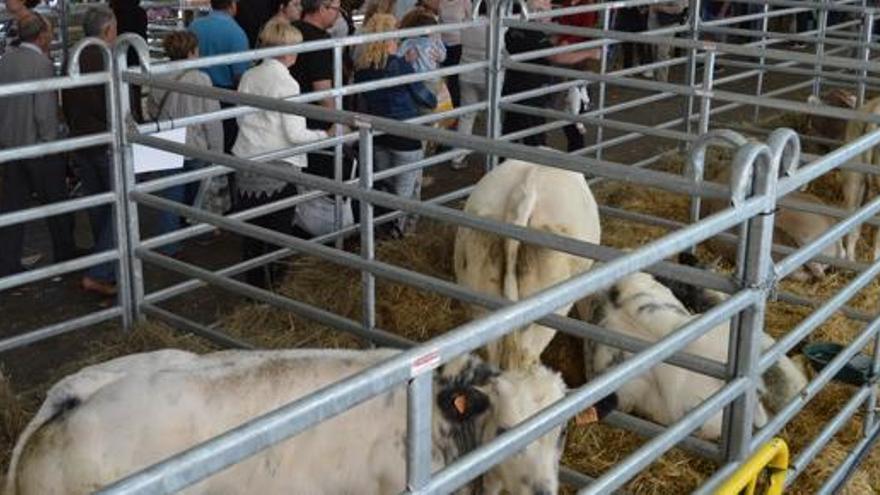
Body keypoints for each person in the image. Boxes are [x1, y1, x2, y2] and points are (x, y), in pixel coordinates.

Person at [233, 18, 331, 288]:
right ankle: (276, 289)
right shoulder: (287, 84)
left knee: (251, 233)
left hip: (248, 161)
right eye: (296, 48)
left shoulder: (249, 76)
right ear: (287, 51)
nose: (297, 53)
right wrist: (327, 135)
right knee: (279, 232)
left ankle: (253, 290)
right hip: (278, 166)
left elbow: (241, 119)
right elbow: (295, 135)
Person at [0, 13, 77, 278]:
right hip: (38, 146)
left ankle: (7, 261)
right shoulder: (41, 64)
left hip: (10, 145)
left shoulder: (6, 59)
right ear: (42, 35)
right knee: (56, 202)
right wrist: (52, 143)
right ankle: (65, 254)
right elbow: (44, 112)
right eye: (50, 32)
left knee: (12, 207)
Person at [354, 13, 436, 237]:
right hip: (404, 135)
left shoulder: (362, 69)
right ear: (391, 38)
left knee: (385, 184)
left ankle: (383, 231)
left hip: (378, 133)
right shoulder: (400, 66)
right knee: (405, 190)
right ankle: (400, 236)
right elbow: (424, 97)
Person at [146, 31, 226, 256]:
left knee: (171, 193)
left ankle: (170, 242)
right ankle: (199, 231)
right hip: (195, 143)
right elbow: (212, 119)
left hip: (166, 140)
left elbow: (152, 109)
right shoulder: (201, 79)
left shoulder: (157, 75)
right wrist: (217, 150)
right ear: (192, 51)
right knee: (198, 190)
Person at [63, 6, 119, 296]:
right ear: (107, 30)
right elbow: (112, 102)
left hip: (80, 140)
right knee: (119, 207)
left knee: (98, 206)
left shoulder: (72, 55)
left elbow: (66, 99)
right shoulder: (107, 57)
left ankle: (107, 268)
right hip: (104, 140)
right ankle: (101, 271)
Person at [501, 0, 599, 146]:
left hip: (513, 86)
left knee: (511, 128)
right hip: (532, 91)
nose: (552, 11)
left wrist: (560, 39)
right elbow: (556, 56)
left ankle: (504, 162)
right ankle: (536, 163)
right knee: (535, 135)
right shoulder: (535, 34)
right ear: (538, 12)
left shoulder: (513, 29)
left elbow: (546, 45)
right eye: (548, 7)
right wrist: (590, 53)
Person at [290, 0, 343, 181]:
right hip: (315, 122)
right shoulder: (320, 41)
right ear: (322, 9)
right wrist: (338, 120)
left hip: (290, 116)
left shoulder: (291, 30)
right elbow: (323, 91)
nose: (338, 14)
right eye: (337, 9)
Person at [189, 0, 249, 153]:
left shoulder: (194, 26)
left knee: (196, 138)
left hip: (193, 89)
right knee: (225, 141)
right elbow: (239, 74)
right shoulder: (237, 32)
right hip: (223, 95)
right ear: (233, 5)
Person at [450, 0, 485, 169]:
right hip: (488, 76)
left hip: (467, 73)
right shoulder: (498, 26)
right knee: (493, 116)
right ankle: (493, 157)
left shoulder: (468, 23)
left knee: (466, 116)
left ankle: (457, 157)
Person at [110, 0, 147, 122]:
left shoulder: (112, 12)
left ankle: (120, 119)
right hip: (135, 55)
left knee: (116, 91)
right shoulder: (140, 13)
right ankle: (136, 117)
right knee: (135, 93)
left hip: (116, 56)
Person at [648, 0, 686, 83]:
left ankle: (662, 82)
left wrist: (660, 8)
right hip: (654, 22)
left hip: (668, 24)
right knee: (655, 52)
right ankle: (656, 80)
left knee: (662, 53)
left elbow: (679, 8)